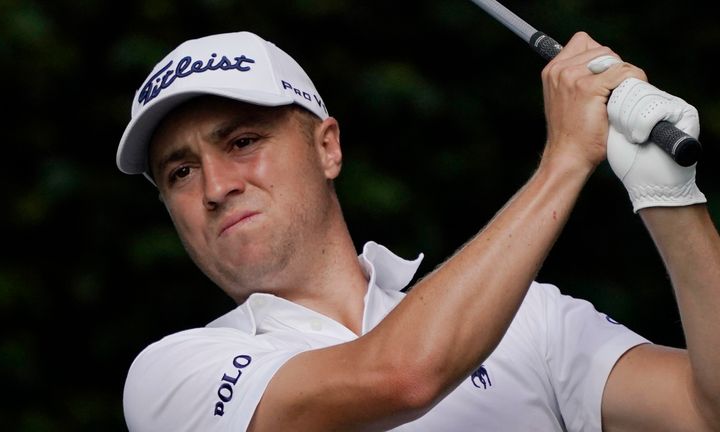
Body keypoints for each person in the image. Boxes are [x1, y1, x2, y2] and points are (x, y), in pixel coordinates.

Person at [115, 30, 720, 431]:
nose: (216, 186)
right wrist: (565, 161)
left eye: (243, 142)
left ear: (327, 148)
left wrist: (669, 196)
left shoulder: (529, 318)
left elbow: (707, 410)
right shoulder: (172, 375)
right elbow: (403, 375)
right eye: (181, 172)